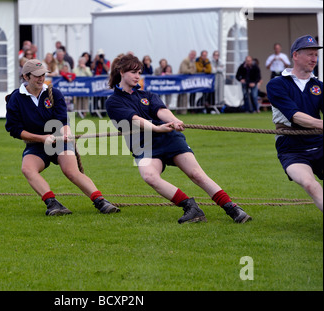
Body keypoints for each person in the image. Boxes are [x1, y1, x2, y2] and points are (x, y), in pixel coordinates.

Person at [105, 53, 252, 223]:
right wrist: (156, 128)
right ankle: (191, 207)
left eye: (139, 72)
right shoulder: (113, 102)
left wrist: (174, 120)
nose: (137, 76)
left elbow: (161, 111)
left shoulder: (148, 95)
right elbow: (135, 120)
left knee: (196, 174)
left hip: (168, 138)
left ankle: (232, 208)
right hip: (144, 144)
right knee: (150, 176)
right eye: (133, 72)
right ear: (122, 72)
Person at [5, 59, 120, 215]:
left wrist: (66, 132)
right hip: (36, 144)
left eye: (43, 75)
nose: (41, 78)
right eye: (37, 75)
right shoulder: (16, 98)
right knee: (27, 169)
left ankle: (101, 202)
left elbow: (62, 119)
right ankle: (53, 204)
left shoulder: (53, 93)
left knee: (71, 171)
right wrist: (42, 138)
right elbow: (15, 130)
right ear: (26, 77)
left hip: (59, 141)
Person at [266, 35, 323, 212]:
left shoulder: (319, 86)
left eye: (316, 55)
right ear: (295, 55)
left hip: (319, 143)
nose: (314, 59)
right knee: (309, 184)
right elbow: (295, 116)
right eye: (310, 54)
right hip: (291, 148)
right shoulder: (277, 84)